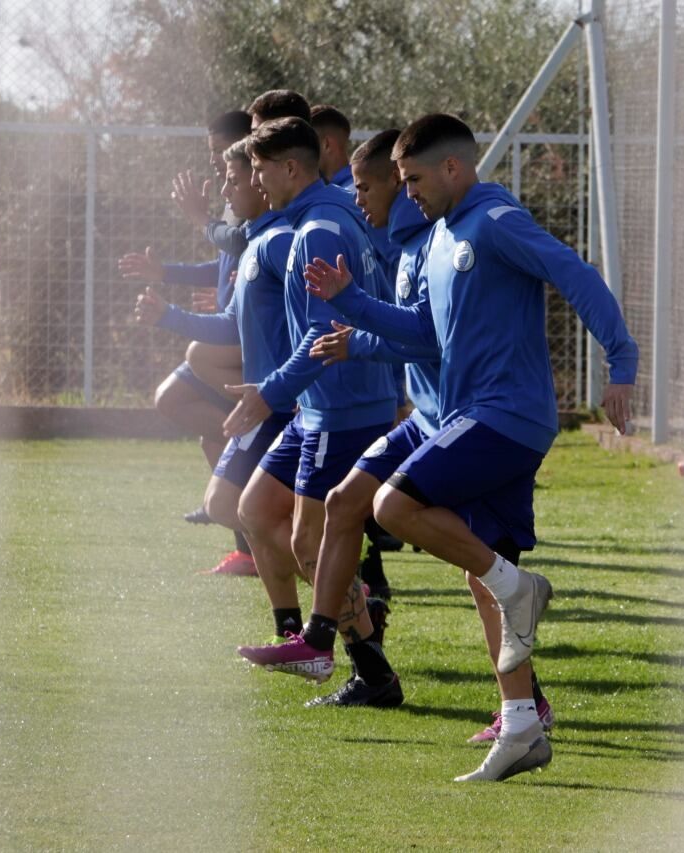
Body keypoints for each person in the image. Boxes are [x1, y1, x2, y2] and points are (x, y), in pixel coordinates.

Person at [304, 113, 638, 781]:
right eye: (399, 182)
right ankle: (520, 724)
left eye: (414, 178)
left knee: (393, 506)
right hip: (475, 416)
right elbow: (425, 332)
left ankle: (523, 590)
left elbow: (574, 274)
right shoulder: (440, 238)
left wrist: (621, 363)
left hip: (505, 415)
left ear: (453, 168)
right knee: (481, 573)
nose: (408, 192)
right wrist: (352, 302)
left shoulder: (493, 220)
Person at [223, 118, 397, 691]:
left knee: (307, 542)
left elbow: (322, 339)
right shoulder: (324, 217)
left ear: (290, 168)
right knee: (253, 509)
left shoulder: (316, 231)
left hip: (340, 406)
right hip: (317, 408)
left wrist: (268, 393)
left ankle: (359, 664)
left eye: (258, 168)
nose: (253, 180)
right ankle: (325, 634)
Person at [132, 140, 295, 578]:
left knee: (348, 504)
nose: (222, 181)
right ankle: (311, 605)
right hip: (269, 383)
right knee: (201, 438)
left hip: (283, 390)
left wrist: (170, 314)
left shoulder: (279, 234)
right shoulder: (257, 228)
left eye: (231, 170)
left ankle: (348, 595)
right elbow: (227, 264)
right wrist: (172, 276)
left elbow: (237, 321)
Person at [117, 110, 252, 571]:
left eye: (220, 154)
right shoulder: (236, 196)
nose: (214, 164)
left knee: (193, 398)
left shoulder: (259, 196)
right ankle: (246, 540)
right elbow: (225, 261)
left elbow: (237, 246)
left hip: (251, 337)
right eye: (211, 154)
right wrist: (166, 273)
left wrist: (200, 218)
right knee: (183, 410)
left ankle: (257, 478)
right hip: (231, 325)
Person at [308, 103, 407, 593]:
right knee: (346, 502)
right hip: (377, 373)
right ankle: (351, 610)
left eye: (366, 187)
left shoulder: (381, 223)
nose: (360, 196)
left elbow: (417, 324)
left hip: (374, 381)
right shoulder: (348, 214)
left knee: (326, 519)